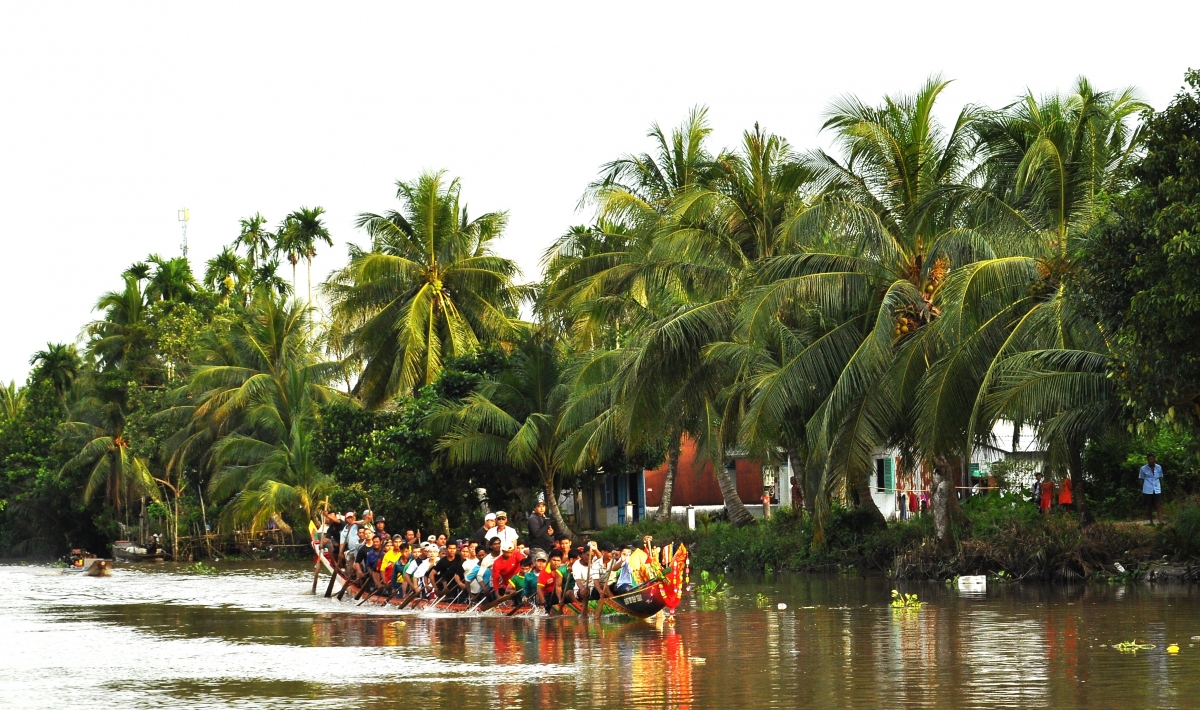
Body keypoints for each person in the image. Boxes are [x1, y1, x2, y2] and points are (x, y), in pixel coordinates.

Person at [1140, 454, 1164, 524]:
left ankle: (1160, 520)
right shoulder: (1143, 468)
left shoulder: (1159, 467)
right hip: (1147, 489)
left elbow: (1160, 477)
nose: (1150, 461)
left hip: (1157, 488)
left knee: (1158, 504)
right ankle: (1151, 521)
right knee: (1149, 505)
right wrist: (1143, 488)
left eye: (1151, 459)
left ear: (1154, 459)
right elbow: (1141, 478)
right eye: (1149, 459)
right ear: (1147, 460)